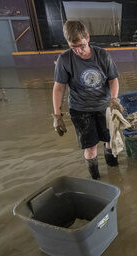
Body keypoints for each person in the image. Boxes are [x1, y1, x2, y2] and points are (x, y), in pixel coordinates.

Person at [52, 20, 124, 180]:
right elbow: (59, 87)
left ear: (88, 38)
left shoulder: (102, 55)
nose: (79, 51)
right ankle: (96, 179)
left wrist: (114, 100)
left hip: (104, 107)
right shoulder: (65, 60)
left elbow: (113, 80)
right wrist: (57, 115)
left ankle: (114, 174)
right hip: (80, 110)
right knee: (91, 148)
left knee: (110, 141)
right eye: (73, 47)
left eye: (82, 45)